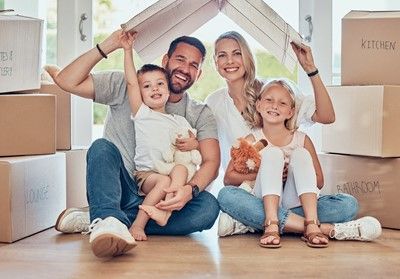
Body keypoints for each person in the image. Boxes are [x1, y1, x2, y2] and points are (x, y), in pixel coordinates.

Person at [51, 29, 221, 258]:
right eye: (180, 59)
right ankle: (109, 216)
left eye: (193, 65)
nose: (185, 69)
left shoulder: (198, 112)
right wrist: (110, 45)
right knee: (101, 148)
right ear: (165, 60)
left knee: (208, 208)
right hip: (123, 187)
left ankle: (105, 217)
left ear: (199, 74)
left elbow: (211, 162)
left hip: (165, 198)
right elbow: (65, 80)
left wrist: (188, 192)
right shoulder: (129, 85)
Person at [206, 31, 382, 241]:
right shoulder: (214, 103)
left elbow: (327, 116)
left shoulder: (274, 91)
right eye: (222, 55)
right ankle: (320, 228)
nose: (230, 61)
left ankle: (251, 223)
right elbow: (225, 173)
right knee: (226, 197)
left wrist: (311, 70)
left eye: (237, 53)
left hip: (294, 194)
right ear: (215, 62)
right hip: (254, 193)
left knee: (347, 205)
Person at [225, 79, 329, 248]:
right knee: (227, 195)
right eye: (269, 100)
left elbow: (319, 181)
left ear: (290, 112)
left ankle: (308, 221)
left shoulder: (302, 139)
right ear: (258, 105)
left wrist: (291, 176)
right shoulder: (252, 140)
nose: (274, 106)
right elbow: (228, 179)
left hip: (293, 200)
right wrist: (267, 172)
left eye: (282, 103)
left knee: (347, 205)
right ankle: (275, 223)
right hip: (264, 200)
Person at [120, 32, 202, 241]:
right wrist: (127, 50)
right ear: (140, 92)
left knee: (181, 168)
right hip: (147, 175)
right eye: (147, 86)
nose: (154, 89)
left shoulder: (178, 120)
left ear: (167, 88)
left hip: (169, 174)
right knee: (165, 179)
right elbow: (130, 82)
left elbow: (194, 143)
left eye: (159, 84)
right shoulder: (142, 114)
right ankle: (138, 225)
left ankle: (164, 213)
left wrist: (194, 143)